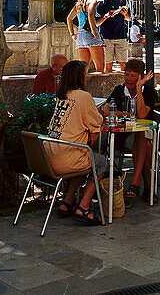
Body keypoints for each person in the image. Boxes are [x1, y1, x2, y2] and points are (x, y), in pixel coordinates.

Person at [45, 60, 107, 224]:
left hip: (49, 158)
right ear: (79, 77)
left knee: (85, 157)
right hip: (67, 159)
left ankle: (68, 201)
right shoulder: (83, 97)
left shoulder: (61, 96)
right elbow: (96, 123)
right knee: (100, 162)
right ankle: (84, 206)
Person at [100, 58, 157, 199]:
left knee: (143, 138)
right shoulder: (119, 90)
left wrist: (138, 89)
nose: (129, 79)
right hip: (122, 135)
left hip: (142, 134)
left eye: (133, 76)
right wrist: (127, 114)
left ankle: (136, 183)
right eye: (127, 75)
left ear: (141, 78)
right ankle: (148, 189)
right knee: (147, 146)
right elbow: (107, 109)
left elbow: (142, 114)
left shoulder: (149, 92)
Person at [67, 0, 105, 73]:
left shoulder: (79, 3)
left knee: (83, 70)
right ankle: (98, 88)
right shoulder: (92, 1)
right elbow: (91, 14)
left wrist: (72, 34)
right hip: (90, 34)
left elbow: (69, 18)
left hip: (80, 36)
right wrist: (94, 31)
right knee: (100, 69)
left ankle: (81, 87)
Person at [95, 0, 131, 73]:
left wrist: (124, 14)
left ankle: (124, 87)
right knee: (108, 66)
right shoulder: (99, 2)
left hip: (121, 36)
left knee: (124, 66)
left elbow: (128, 18)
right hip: (106, 38)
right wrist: (105, 16)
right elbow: (96, 23)